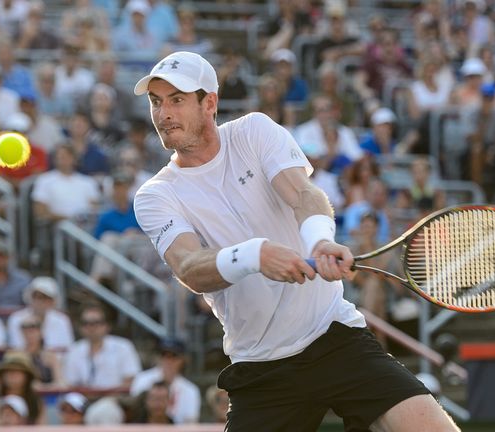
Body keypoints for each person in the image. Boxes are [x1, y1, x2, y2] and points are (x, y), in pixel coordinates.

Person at [132, 51, 457, 431]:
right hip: (261, 366)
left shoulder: (254, 131)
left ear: (210, 103)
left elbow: (303, 193)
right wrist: (256, 254)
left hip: (333, 336)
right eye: (156, 102)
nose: (164, 114)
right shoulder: (155, 195)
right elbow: (189, 268)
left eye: (177, 100)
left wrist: (320, 241)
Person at [64, 303, 141, 389]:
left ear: (107, 325)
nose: (91, 327)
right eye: (86, 323)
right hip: (83, 398)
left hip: (115, 398)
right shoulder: (74, 349)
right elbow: (71, 383)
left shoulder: (123, 346)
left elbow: (130, 381)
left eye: (96, 323)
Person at [129, 339, 199, 424]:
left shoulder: (191, 390)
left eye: (174, 356)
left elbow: (190, 423)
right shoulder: (142, 379)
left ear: (183, 359)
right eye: (164, 355)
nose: (168, 360)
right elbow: (135, 413)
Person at [6, 276, 74, 351]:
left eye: (46, 298)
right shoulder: (16, 318)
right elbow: (17, 347)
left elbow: (67, 349)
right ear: (30, 297)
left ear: (53, 301)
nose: (41, 302)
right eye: (37, 297)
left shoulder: (62, 320)